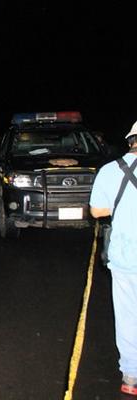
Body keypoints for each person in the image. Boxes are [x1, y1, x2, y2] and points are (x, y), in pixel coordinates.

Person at [90, 121, 137, 396]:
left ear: (130, 141)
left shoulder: (110, 170)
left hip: (125, 257)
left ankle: (131, 376)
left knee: (128, 315)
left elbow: (97, 211)